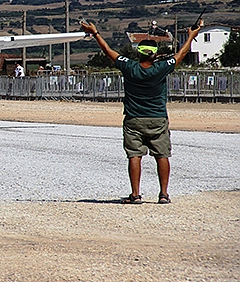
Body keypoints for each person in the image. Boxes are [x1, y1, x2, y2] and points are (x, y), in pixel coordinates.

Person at [80, 20, 202, 204]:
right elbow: (181, 54)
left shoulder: (130, 67)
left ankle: (135, 194)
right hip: (158, 118)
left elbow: (108, 52)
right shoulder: (161, 68)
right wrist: (191, 37)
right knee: (162, 155)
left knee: (134, 155)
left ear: (138, 52)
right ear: (155, 55)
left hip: (133, 119)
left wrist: (95, 33)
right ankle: (163, 194)